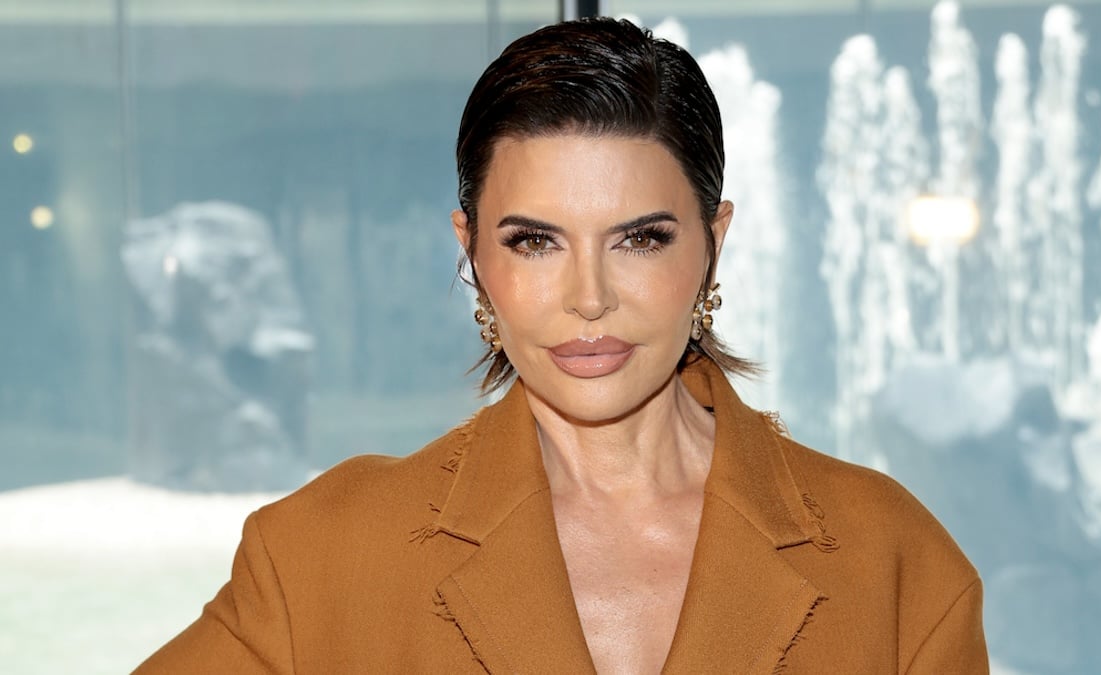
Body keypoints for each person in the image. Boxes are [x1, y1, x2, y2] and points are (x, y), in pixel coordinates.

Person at [137, 17, 987, 674]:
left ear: (713, 242)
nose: (589, 298)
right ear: (471, 250)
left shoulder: (895, 561)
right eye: (534, 241)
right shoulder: (322, 557)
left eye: (640, 239)